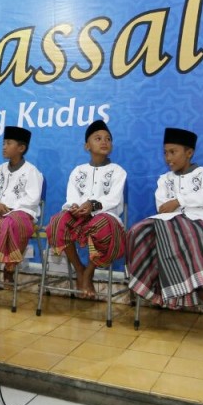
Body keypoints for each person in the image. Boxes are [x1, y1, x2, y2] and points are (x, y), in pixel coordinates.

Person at [127, 128, 203, 309]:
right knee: (137, 231)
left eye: (173, 152)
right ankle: (147, 287)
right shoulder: (164, 179)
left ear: (189, 153)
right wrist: (191, 202)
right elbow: (162, 206)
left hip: (199, 224)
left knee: (182, 231)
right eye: (165, 153)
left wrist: (178, 201)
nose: (168, 157)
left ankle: (196, 288)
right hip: (167, 223)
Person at [45, 120, 127, 299]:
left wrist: (93, 205)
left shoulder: (117, 171)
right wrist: (74, 206)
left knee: (103, 224)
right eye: (98, 138)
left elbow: (113, 199)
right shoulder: (78, 170)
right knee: (58, 221)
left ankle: (89, 272)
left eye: (108, 139)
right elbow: (72, 197)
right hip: (80, 216)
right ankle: (79, 268)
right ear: (87, 146)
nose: (104, 141)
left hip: (105, 216)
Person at [0, 126, 43, 285]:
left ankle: (9, 266)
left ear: (21, 148)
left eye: (8, 143)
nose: (3, 146)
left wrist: (9, 208)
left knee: (9, 222)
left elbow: (32, 199)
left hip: (22, 212)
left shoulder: (32, 171)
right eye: (3, 143)